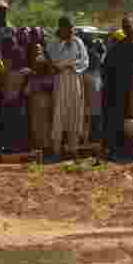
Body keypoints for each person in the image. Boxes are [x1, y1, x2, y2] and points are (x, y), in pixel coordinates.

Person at [103, 18, 133, 162]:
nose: (127, 29)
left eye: (129, 26)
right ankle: (117, 150)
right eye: (124, 27)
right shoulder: (117, 48)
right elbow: (107, 68)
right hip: (118, 90)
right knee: (118, 120)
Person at [45, 16, 88, 161]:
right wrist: (63, 46)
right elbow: (54, 59)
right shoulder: (54, 43)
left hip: (75, 77)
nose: (70, 31)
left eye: (71, 28)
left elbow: (84, 60)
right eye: (67, 28)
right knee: (59, 111)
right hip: (61, 79)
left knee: (75, 111)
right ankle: (56, 149)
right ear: (61, 28)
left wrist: (72, 65)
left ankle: (73, 148)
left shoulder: (78, 42)